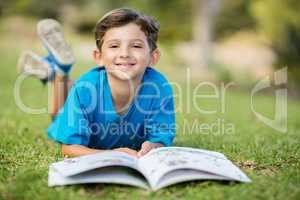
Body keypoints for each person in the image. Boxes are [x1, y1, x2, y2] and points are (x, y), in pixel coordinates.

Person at [18, 8, 176, 158]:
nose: (124, 53)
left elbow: (160, 138)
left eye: (136, 46)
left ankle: (54, 71)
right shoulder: (85, 89)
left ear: (153, 57)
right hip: (85, 93)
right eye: (114, 46)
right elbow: (69, 148)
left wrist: (154, 146)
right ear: (98, 56)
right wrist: (113, 154)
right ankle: (60, 71)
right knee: (57, 115)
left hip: (90, 92)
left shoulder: (159, 87)